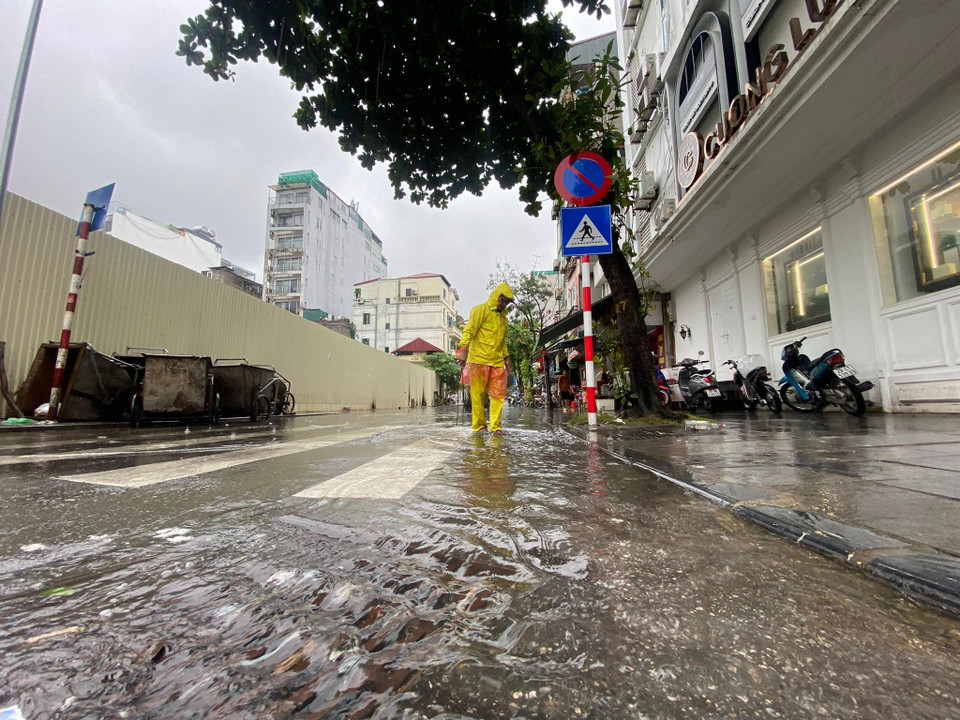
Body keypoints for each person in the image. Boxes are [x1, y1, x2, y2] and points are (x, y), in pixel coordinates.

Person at [457, 282, 514, 434]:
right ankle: (480, 426)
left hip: (496, 363)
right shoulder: (479, 311)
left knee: (498, 396)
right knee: (478, 397)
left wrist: (506, 358)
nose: (503, 304)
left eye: (506, 302)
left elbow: (502, 342)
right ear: (496, 297)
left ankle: (496, 427)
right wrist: (463, 349)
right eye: (502, 300)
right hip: (478, 361)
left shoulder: (504, 320)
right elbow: (469, 331)